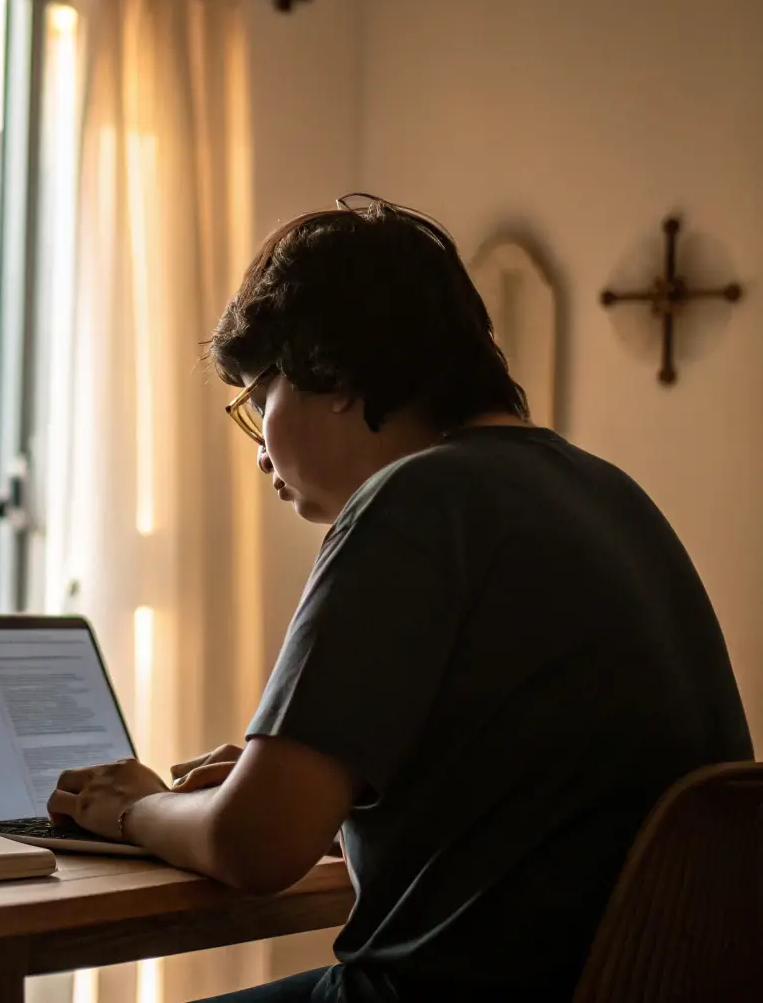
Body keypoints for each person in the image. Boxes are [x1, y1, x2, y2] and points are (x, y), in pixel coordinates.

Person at [45, 195, 753, 1002]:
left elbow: (255, 848)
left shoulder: (413, 500)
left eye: (256, 403)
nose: (260, 453)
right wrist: (312, 776)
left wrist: (131, 807)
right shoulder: (607, 495)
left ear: (331, 373)